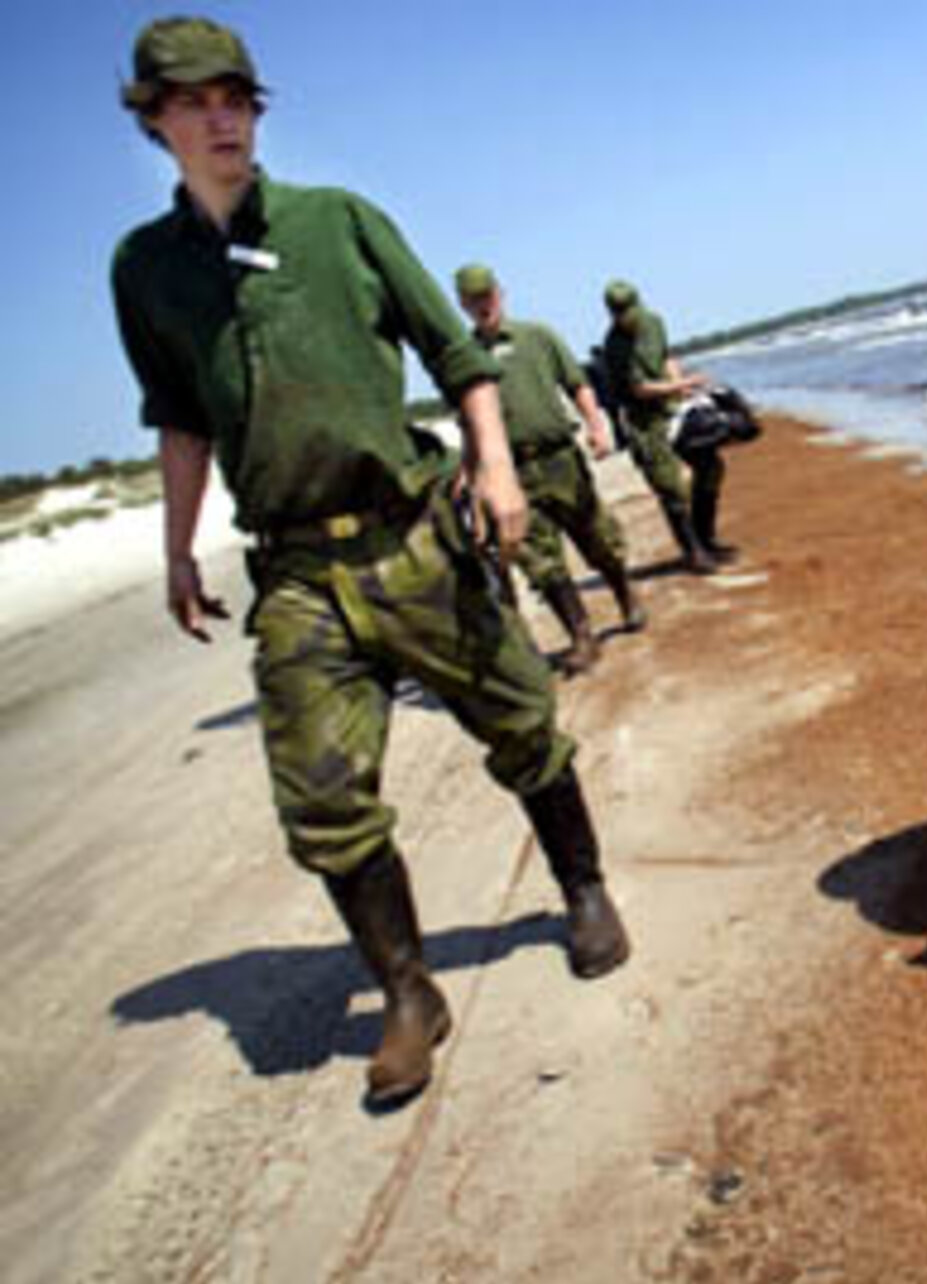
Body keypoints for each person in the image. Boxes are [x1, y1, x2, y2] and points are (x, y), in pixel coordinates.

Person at [110, 17, 631, 1107]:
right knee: (322, 803)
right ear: (154, 117)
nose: (222, 118)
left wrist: (497, 468)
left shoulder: (337, 221)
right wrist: (176, 552)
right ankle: (407, 990)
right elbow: (180, 422)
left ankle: (581, 889)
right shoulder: (146, 270)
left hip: (411, 536)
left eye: (238, 98)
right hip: (295, 571)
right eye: (196, 101)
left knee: (522, 724)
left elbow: (455, 354)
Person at [453, 263, 645, 676]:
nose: (483, 305)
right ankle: (581, 636)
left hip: (560, 460)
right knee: (539, 562)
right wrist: (470, 477)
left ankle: (626, 595)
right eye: (474, 300)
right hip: (512, 473)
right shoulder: (464, 358)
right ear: (463, 305)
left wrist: (596, 426)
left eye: (488, 295)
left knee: (597, 538)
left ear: (500, 293)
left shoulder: (537, 336)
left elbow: (577, 383)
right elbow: (469, 424)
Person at [599, 280, 735, 573]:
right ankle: (693, 552)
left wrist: (680, 387)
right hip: (644, 422)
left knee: (710, 468)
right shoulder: (615, 347)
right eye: (619, 312)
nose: (626, 317)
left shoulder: (653, 322)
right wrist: (683, 384)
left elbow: (665, 356)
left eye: (630, 310)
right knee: (670, 486)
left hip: (672, 410)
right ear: (611, 313)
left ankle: (706, 539)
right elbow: (640, 389)